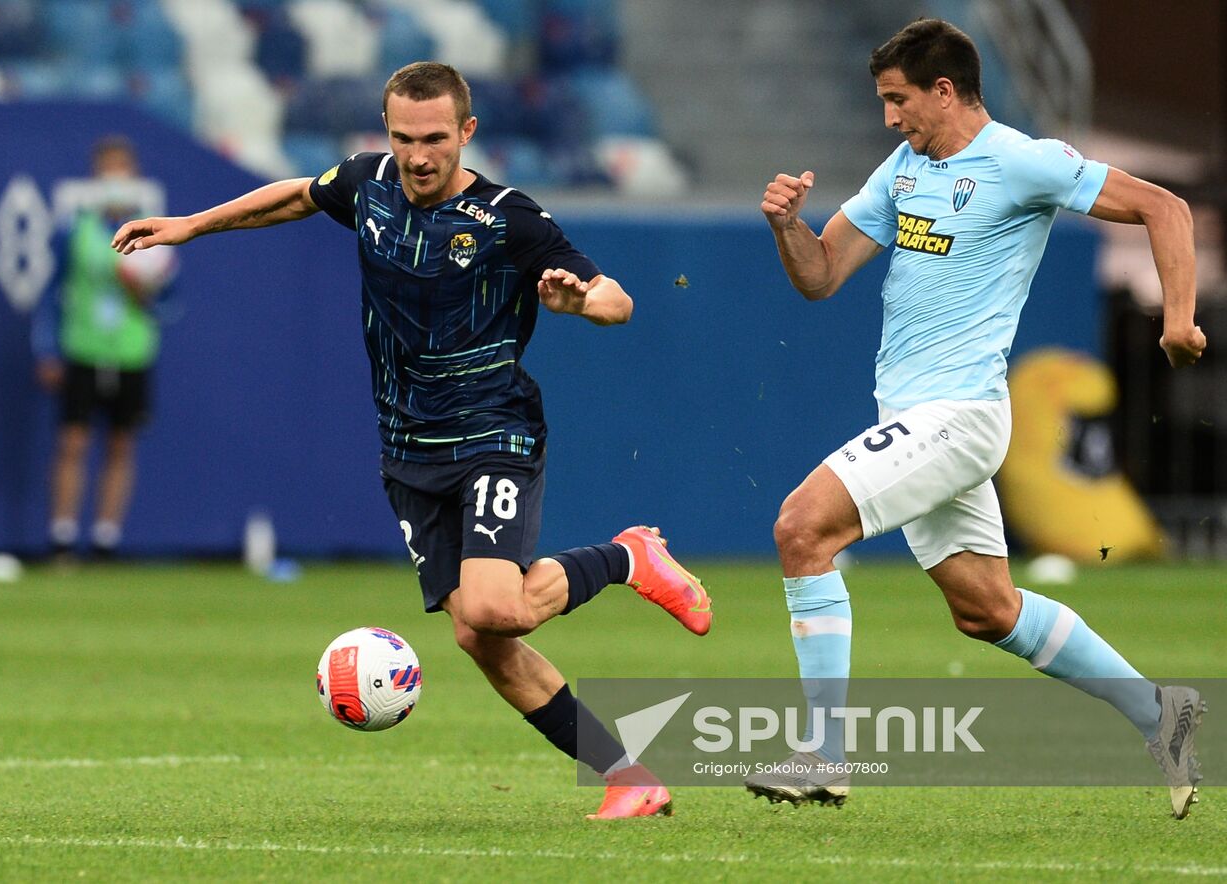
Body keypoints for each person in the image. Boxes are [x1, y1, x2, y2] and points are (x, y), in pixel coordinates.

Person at [111, 62, 712, 820]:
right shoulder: (370, 186)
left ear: (466, 132)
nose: (419, 156)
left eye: (434, 139)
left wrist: (583, 301)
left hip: (494, 430)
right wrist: (193, 225)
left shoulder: (507, 217)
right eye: (403, 139)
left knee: (497, 611)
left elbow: (614, 298)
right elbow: (297, 194)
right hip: (407, 447)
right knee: (478, 635)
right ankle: (628, 777)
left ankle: (628, 556)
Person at [745, 19, 1207, 818]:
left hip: (958, 415)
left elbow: (1166, 208)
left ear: (946, 91)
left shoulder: (1023, 162)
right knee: (986, 610)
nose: (889, 119)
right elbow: (821, 279)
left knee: (800, 529)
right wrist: (788, 226)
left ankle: (824, 753)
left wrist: (1177, 320)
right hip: (915, 414)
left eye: (899, 101)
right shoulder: (903, 170)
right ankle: (1161, 713)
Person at [34, 136, 174, 559]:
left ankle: (106, 538)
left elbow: (171, 302)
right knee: (72, 441)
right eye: (107, 170)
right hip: (84, 346)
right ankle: (62, 535)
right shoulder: (74, 230)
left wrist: (143, 292)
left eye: (122, 169)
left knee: (120, 443)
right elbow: (51, 292)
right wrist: (46, 348)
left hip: (132, 349)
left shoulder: (154, 231)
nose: (115, 178)